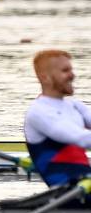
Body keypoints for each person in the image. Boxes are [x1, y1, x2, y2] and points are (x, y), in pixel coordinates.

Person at [24, 49, 91, 188]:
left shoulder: (74, 105)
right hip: (68, 192)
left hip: (85, 184)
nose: (72, 75)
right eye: (65, 71)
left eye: (71, 70)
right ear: (44, 78)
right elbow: (81, 139)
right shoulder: (39, 112)